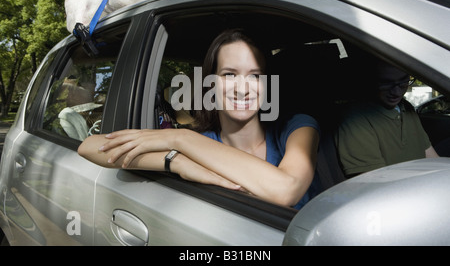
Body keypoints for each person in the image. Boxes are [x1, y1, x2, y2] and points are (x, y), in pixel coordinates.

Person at [78, 29, 321, 210]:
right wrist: (176, 162)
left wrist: (180, 138)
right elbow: (88, 147)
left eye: (255, 76)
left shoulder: (297, 128)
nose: (243, 88)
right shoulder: (198, 145)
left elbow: (287, 189)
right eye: (229, 75)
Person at [335, 59, 439, 177]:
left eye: (403, 82)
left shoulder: (406, 107)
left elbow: (431, 156)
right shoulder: (355, 119)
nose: (396, 92)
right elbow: (376, 181)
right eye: (386, 83)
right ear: (371, 80)